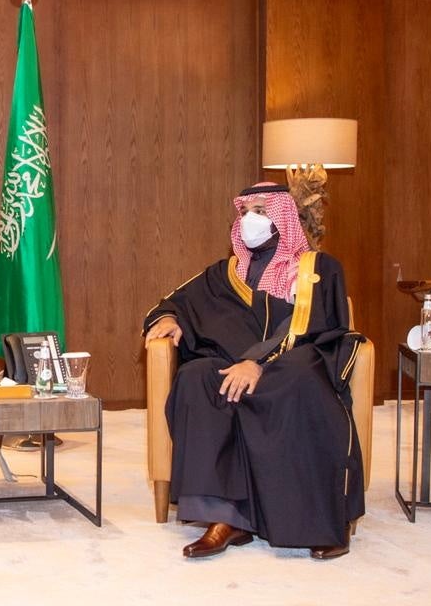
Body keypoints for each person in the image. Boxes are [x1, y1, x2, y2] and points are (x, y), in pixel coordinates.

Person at [143, 182, 364, 560]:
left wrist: (258, 363)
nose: (251, 219)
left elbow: (315, 325)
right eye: (245, 211)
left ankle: (321, 520)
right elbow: (174, 301)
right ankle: (227, 518)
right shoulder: (224, 273)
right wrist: (171, 318)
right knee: (197, 379)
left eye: (261, 211)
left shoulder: (317, 269)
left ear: (283, 217)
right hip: (235, 364)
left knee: (297, 380)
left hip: (297, 360)